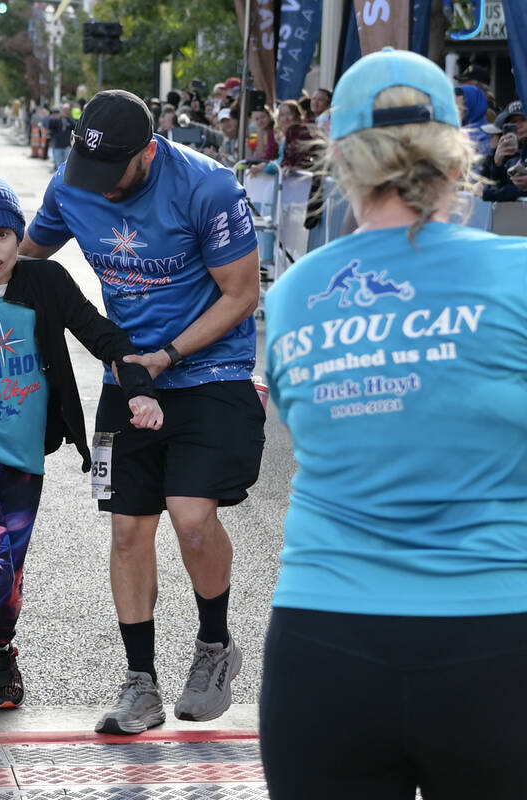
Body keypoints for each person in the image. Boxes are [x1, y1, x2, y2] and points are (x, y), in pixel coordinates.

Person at [259, 47, 527, 800]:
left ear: (339, 155)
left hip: (324, 646)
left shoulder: (295, 296)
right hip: (495, 638)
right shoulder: (517, 275)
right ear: (455, 148)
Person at [19, 89, 264, 734]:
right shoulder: (70, 188)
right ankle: (141, 684)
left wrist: (170, 353)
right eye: (88, 174)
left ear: (148, 153)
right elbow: (21, 261)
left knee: (189, 517)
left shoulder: (208, 189)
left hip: (211, 371)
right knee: (128, 530)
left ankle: (214, 645)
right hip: (127, 378)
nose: (98, 191)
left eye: (113, 176)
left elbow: (242, 295)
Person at [0, 175, 164, 748]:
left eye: (3, 235)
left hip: (24, 463)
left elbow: (101, 334)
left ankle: (1, 649)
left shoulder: (45, 283)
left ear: (19, 238)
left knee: (9, 586)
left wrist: (138, 384)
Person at [47, 104, 74, 172]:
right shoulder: (57, 119)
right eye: (64, 110)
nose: (65, 111)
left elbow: (75, 126)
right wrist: (54, 117)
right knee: (58, 165)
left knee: (67, 165)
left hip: (67, 145)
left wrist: (67, 118)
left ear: (69, 111)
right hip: (57, 145)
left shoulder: (71, 119)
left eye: (67, 110)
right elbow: (50, 126)